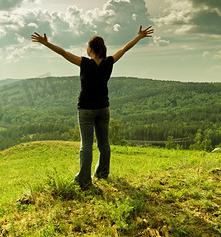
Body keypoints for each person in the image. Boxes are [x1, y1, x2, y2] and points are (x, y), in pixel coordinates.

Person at [31, 26, 154, 188]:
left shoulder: (85, 63)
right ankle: (102, 174)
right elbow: (124, 49)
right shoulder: (109, 62)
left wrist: (46, 43)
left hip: (86, 109)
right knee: (104, 144)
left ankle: (84, 179)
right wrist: (138, 37)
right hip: (104, 108)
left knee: (86, 145)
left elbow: (63, 53)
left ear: (90, 49)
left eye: (87, 47)